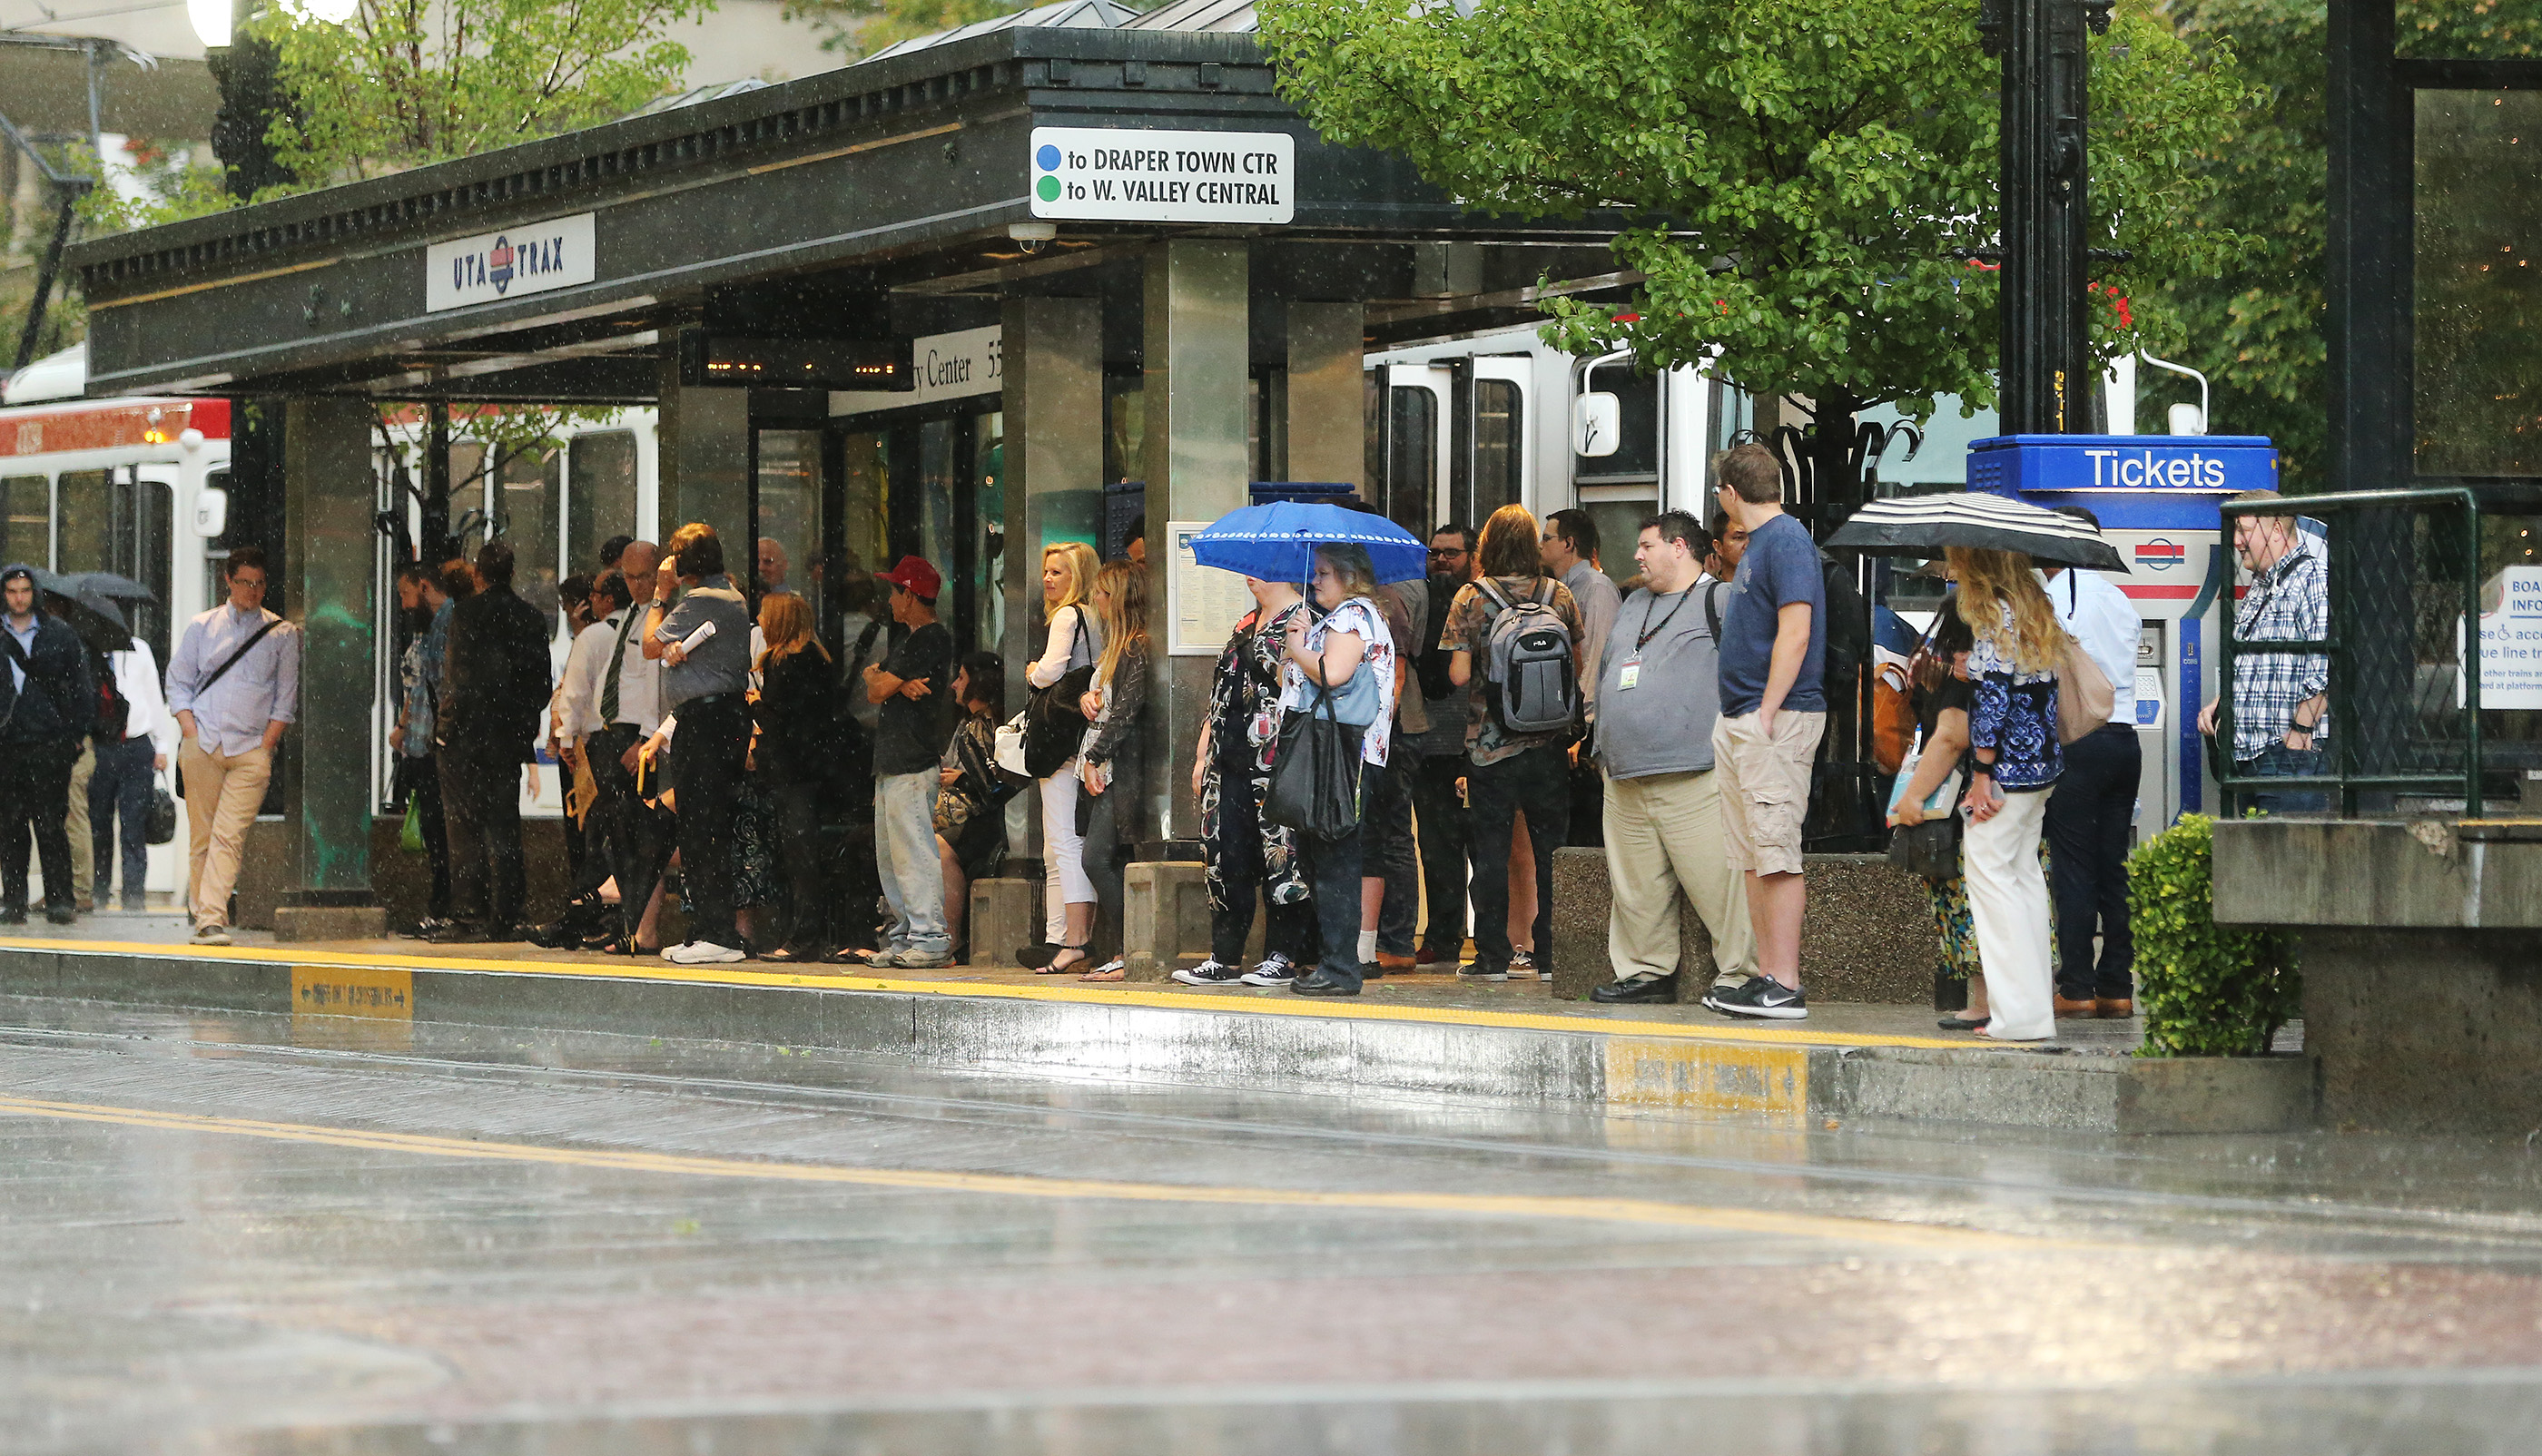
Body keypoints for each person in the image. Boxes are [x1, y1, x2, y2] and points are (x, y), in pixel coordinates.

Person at [1587, 512, 1759, 1003]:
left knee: (1719, 884)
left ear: (1679, 547)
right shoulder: (1631, 602)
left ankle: (1741, 976)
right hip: (1624, 775)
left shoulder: (1720, 599)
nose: (1637, 556)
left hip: (1695, 772)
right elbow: (1607, 668)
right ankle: (1644, 972)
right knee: (1636, 888)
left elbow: (1749, 677)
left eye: (1646, 546)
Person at [1702, 443, 1825, 1020]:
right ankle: (1766, 974)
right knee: (1753, 854)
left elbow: (1795, 630)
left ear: (1730, 493)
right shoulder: (1763, 544)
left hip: (1772, 717)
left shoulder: (1786, 540)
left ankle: (1786, 981)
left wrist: (1769, 708)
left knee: (1775, 850)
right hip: (1746, 715)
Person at [1443, 504, 1584, 983]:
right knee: (1550, 851)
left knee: (1490, 852)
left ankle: (1491, 958)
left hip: (1489, 747)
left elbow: (1459, 673)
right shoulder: (1558, 593)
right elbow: (1576, 667)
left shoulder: (1470, 596)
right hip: (1548, 745)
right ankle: (1549, 957)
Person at [1950, 546, 2065, 1042]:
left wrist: (1981, 772)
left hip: (2004, 775)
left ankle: (2014, 1015)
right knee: (2024, 882)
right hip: (2041, 768)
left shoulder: (1994, 616)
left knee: (1992, 882)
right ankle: (2032, 1009)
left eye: (1958, 561)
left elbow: (1995, 700)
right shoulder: (2035, 608)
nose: (1953, 569)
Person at [1179, 577, 1317, 988]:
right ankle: (1224, 956)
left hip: (1278, 759)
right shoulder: (1245, 624)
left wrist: (1290, 650)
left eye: (1263, 566)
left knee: (1282, 855)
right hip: (1228, 759)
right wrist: (1203, 753)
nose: (1250, 575)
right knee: (1225, 857)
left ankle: (1283, 955)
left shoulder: (1304, 620)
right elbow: (1219, 694)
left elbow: (1302, 687)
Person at [1277, 543, 1398, 997]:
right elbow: (1295, 681)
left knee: (1335, 857)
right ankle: (1335, 960)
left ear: (1350, 577)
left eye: (1324, 572)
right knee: (1319, 854)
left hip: (1346, 752)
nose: (1315, 580)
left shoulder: (1355, 615)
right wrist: (1299, 642)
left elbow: (1334, 673)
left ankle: (1341, 966)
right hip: (1333, 750)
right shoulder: (1334, 620)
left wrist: (1295, 645)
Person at [167, 547, 297, 946]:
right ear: (228, 581)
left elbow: (285, 698)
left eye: (259, 584)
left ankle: (210, 918)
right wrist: (189, 731)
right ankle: (204, 914)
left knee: (229, 835)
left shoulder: (282, 633)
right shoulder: (202, 627)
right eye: (244, 582)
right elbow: (179, 682)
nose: (252, 591)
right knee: (203, 836)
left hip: (250, 750)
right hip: (203, 742)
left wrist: (266, 746)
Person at [2042, 507, 2143, 1019]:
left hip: (2078, 742)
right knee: (2113, 865)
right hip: (2126, 742)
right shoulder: (2122, 600)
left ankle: (2076, 988)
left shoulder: (2052, 600)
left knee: (2074, 868)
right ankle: (2118, 987)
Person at [644, 523, 754, 965]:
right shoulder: (728, 597)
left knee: (702, 826)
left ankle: (717, 932)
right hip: (717, 718)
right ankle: (710, 929)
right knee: (703, 824)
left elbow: (651, 644)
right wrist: (679, 651)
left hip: (707, 721)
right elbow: (671, 649)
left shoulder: (703, 598)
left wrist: (659, 594)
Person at [433, 539, 551, 943]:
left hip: (467, 736)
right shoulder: (531, 618)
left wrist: (445, 731)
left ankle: (470, 914)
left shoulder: (466, 615)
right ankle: (509, 915)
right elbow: (540, 687)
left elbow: (457, 681)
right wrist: (519, 723)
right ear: (513, 573)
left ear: (479, 575)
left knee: (464, 828)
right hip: (507, 740)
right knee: (504, 827)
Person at [2197, 491, 2329, 814]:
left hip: (2288, 757)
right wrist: (2222, 702)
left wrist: (2300, 732)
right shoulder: (2261, 585)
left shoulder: (2314, 579)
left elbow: (2327, 664)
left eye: (2244, 530)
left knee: (2285, 861)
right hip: (2250, 756)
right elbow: (2256, 663)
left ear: (2276, 531)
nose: (2236, 541)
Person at [862, 556, 959, 969]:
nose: (889, 600)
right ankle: (905, 935)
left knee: (913, 851)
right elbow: (873, 679)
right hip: (893, 762)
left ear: (909, 594)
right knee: (891, 854)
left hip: (912, 761)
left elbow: (878, 685)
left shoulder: (930, 637)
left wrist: (890, 682)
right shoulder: (908, 639)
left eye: (894, 591)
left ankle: (930, 935)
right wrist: (899, 683)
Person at [575, 542, 667, 955]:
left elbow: (655, 681)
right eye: (628, 577)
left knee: (636, 831)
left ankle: (640, 925)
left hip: (637, 733)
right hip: (615, 730)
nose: (635, 585)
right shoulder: (630, 614)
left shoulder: (659, 616)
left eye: (643, 577)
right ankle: (630, 921)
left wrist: (644, 738)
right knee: (617, 830)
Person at [1022, 541, 1103, 971]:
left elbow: (1051, 671)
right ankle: (1060, 934)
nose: (1049, 579)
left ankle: (1074, 940)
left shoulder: (1068, 616)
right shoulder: (1097, 616)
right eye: (1047, 571)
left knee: (1062, 840)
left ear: (1079, 577)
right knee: (1062, 841)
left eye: (1059, 572)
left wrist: (1032, 671)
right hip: (1085, 736)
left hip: (1061, 739)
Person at [0, 566, 94, 924]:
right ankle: (14, 900)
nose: (19, 597)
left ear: (34, 593)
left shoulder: (60, 635)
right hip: (7, 743)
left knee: (51, 824)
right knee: (11, 826)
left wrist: (73, 739)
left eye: (24, 590)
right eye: (12, 590)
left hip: (50, 744)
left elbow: (81, 688)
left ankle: (59, 899)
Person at [751, 590, 840, 963]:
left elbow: (780, 721)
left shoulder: (784, 663)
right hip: (814, 772)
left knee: (798, 857)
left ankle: (802, 935)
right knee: (805, 856)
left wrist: (755, 704)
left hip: (792, 774)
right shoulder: (817, 659)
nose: (759, 620)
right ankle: (808, 933)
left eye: (763, 615)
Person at [1073, 558, 1151, 981]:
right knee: (1104, 858)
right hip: (1104, 760)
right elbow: (1109, 704)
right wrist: (1088, 698)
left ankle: (1127, 950)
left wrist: (1095, 755)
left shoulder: (1134, 646)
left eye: (1102, 594)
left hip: (1113, 764)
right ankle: (1123, 949)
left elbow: (1126, 711)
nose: (1096, 602)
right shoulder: (1115, 649)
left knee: (1097, 858)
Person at [1411, 523, 1478, 970]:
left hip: (1473, 741)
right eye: (1435, 553)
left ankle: (1489, 936)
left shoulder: (1477, 602)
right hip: (1429, 742)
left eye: (1452, 554)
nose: (1441, 561)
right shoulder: (1424, 601)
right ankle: (1442, 934)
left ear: (1473, 556)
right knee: (1436, 849)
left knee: (1481, 848)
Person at [395, 561, 468, 936]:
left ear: (424, 586)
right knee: (436, 832)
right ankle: (441, 905)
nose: (406, 605)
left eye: (407, 593)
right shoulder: (436, 624)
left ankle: (444, 906)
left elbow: (440, 685)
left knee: (441, 834)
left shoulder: (447, 620)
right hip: (424, 742)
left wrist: (438, 735)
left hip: (434, 744)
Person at [1544, 507, 1621, 855]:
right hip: (1569, 726)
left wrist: (1584, 730)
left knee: (1588, 839)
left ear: (1568, 544)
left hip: (1585, 733)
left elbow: (1597, 659)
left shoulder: (1595, 587)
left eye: (1547, 539)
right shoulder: (1561, 590)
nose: (1540, 547)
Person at [934, 652, 1017, 959]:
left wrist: (960, 782)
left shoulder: (980, 730)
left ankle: (949, 938)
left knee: (940, 849)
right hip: (997, 815)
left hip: (995, 820)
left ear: (978, 684)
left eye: (962, 677)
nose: (954, 685)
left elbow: (993, 788)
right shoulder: (987, 723)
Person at [87, 626, 171, 913]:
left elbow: (154, 697)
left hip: (136, 746)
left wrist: (162, 745)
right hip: (100, 747)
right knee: (98, 823)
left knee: (133, 824)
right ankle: (99, 889)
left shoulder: (139, 649)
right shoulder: (86, 652)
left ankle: (134, 895)